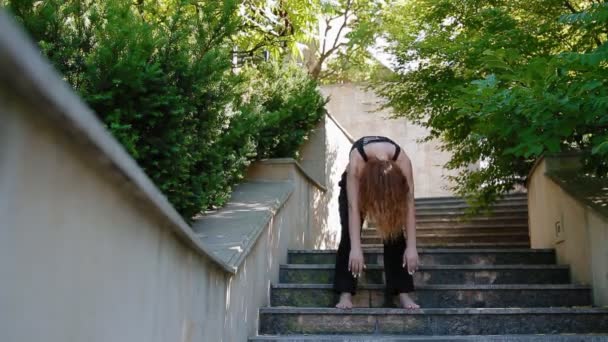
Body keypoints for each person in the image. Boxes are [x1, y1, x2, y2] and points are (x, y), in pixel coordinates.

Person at [334, 136, 419, 309]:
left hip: (391, 185)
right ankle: (345, 293)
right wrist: (356, 249)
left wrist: (412, 247)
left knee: (394, 233)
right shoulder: (356, 163)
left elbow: (409, 207)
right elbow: (353, 208)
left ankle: (403, 292)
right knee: (350, 237)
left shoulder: (403, 162)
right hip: (357, 186)